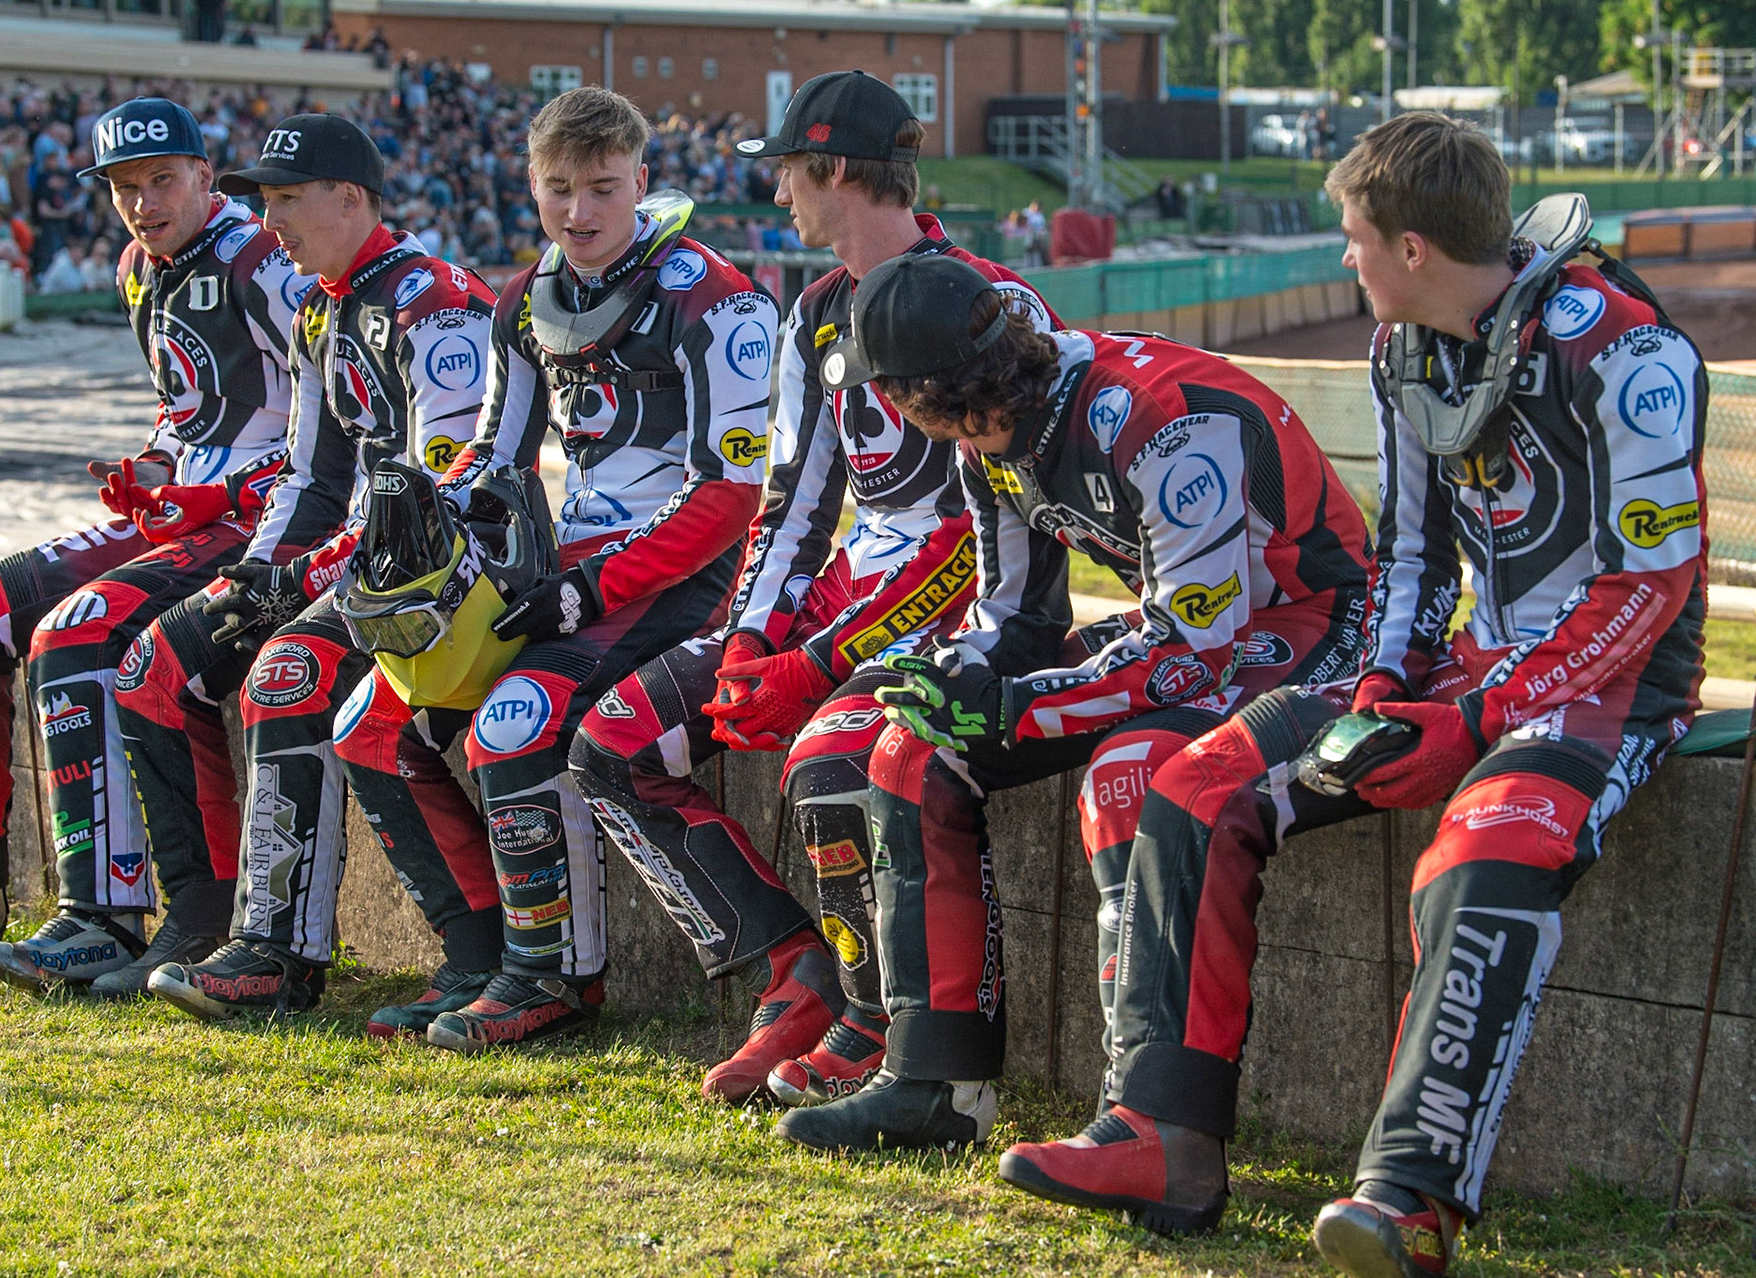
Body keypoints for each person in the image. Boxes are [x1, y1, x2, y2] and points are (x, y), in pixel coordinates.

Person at [994, 113, 1707, 1278]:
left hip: (1618, 681)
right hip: (1471, 667)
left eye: (1353, 237)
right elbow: (1416, 565)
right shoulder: (1405, 350)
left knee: (1481, 856)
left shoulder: (1624, 351)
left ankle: (1407, 1203)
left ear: (1414, 247)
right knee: (1191, 783)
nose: (1345, 260)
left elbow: (1655, 579)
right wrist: (1380, 691)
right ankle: (1164, 1139)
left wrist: (1475, 721)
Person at [772, 253, 1375, 1157]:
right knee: (909, 750)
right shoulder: (989, 438)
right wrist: (951, 677)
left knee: (1128, 775)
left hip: (1314, 621)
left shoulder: (1158, 423)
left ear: (924, 391)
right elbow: (1012, 615)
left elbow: (1187, 653)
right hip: (1200, 621)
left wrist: (1011, 702)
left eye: (887, 392)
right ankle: (937, 1085)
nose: (886, 412)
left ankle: (1148, 1124)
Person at [569, 70, 1060, 1107]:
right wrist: (752, 641)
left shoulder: (990, 301)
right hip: (839, 607)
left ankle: (874, 1016)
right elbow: (791, 502)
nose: (779, 192)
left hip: (970, 620)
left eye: (789, 170)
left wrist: (818, 663)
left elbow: (989, 537)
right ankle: (792, 974)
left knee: (828, 760)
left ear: (834, 169)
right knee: (611, 741)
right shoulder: (817, 313)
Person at [331, 85, 773, 1048]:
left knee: (514, 723)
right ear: (533, 184)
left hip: (680, 581)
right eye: (559, 189)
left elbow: (730, 496)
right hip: (564, 566)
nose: (579, 213)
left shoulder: (715, 298)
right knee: (368, 723)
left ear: (642, 182)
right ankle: (478, 960)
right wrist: (432, 527)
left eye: (603, 189)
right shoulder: (528, 298)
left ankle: (553, 981)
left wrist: (590, 590)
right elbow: (496, 458)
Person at [0, 99, 312, 992]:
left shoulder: (265, 258)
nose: (143, 203)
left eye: (162, 181)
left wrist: (217, 491)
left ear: (208, 178)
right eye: (124, 189)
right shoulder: (139, 267)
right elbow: (190, 408)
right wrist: (153, 466)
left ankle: (102, 916)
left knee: (79, 631)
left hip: (267, 519)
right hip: (186, 509)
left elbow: (339, 422)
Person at [117, 113, 498, 1018]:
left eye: (288, 198)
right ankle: (205, 927)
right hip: (355, 561)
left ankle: (296, 955)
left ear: (353, 198)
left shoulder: (435, 302)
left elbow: (441, 491)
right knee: (154, 662)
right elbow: (310, 473)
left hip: (447, 576)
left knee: (286, 675)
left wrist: (314, 573)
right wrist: (258, 571)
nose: (271, 219)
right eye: (263, 200)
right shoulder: (325, 302)